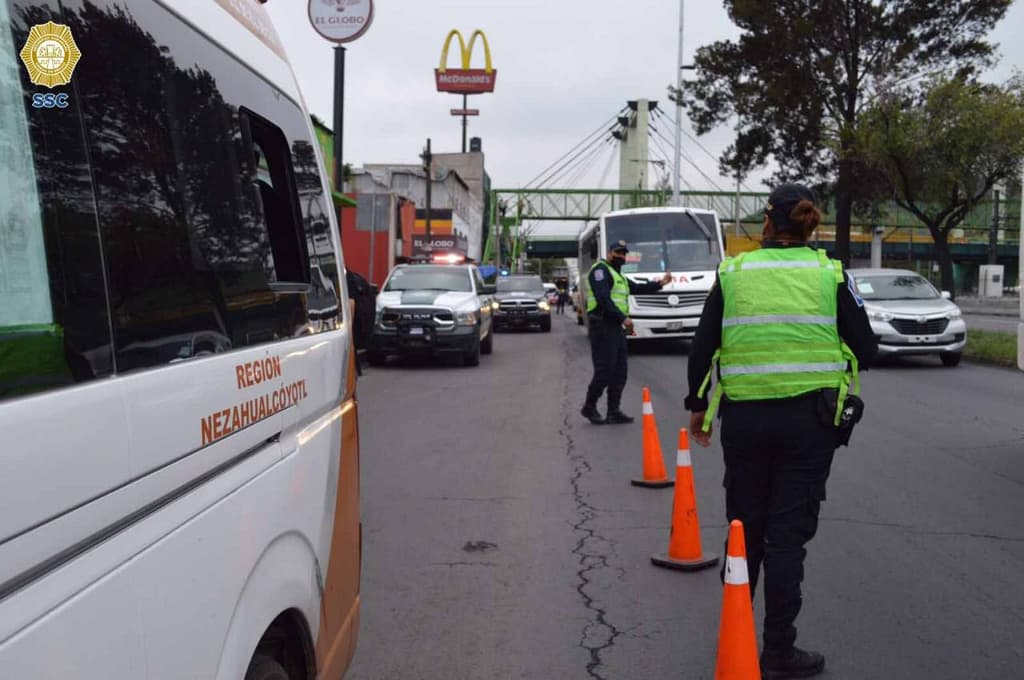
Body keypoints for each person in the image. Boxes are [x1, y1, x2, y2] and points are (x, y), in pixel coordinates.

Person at [685, 184, 877, 679]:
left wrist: (696, 406)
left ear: (768, 222)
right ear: (810, 223)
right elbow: (867, 346)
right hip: (809, 425)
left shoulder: (734, 271)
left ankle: (734, 636)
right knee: (788, 539)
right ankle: (777, 651)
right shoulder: (828, 274)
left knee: (743, 530)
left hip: (745, 421)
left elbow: (702, 346)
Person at [581, 240, 671, 425]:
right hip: (603, 325)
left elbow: (637, 287)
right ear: (609, 252)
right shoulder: (600, 271)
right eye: (617, 253)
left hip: (615, 327)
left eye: (623, 254)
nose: (621, 256)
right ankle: (589, 406)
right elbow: (603, 299)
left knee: (620, 371)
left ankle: (613, 411)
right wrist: (623, 318)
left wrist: (660, 283)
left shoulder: (618, 275)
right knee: (605, 370)